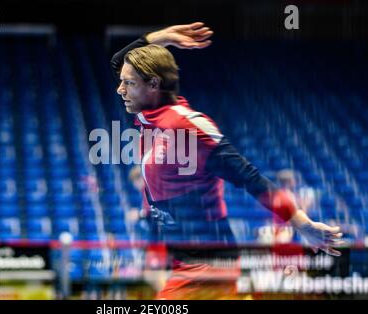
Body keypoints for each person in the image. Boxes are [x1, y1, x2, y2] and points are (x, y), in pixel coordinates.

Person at [110, 22, 344, 299]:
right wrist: (162, 38)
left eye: (129, 83)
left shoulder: (187, 126)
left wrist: (302, 223)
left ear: (153, 85)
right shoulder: (148, 119)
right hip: (185, 259)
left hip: (208, 264)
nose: (119, 89)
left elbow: (250, 178)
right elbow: (118, 61)